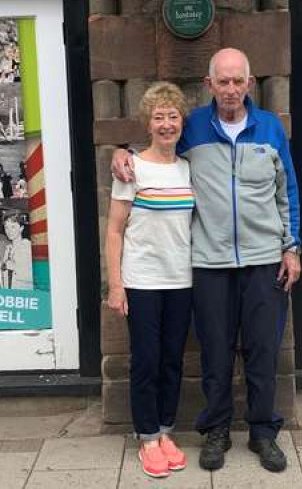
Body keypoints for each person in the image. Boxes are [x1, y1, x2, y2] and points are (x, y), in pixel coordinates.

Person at [111, 48, 301, 473]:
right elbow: (153, 147)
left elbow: (287, 192)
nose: (231, 89)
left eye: (238, 81)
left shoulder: (270, 129)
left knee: (263, 351)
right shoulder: (192, 126)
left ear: (249, 85)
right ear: (210, 84)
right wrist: (120, 152)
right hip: (210, 262)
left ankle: (263, 432)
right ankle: (215, 430)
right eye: (223, 81)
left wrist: (292, 248)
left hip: (264, 259)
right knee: (214, 352)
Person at [105, 82, 194, 479]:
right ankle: (146, 437)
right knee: (145, 361)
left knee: (173, 360)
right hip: (142, 281)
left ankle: (165, 431)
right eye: (158, 117)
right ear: (147, 123)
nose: (166, 124)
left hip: (182, 280)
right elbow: (114, 230)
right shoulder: (131, 168)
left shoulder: (187, 168)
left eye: (172, 116)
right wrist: (116, 284)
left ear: (182, 122)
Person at [2, 213, 34, 290]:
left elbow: (35, 276)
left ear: (21, 228)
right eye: (6, 227)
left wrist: (14, 267)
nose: (9, 231)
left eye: (13, 227)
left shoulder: (27, 246)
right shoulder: (8, 248)